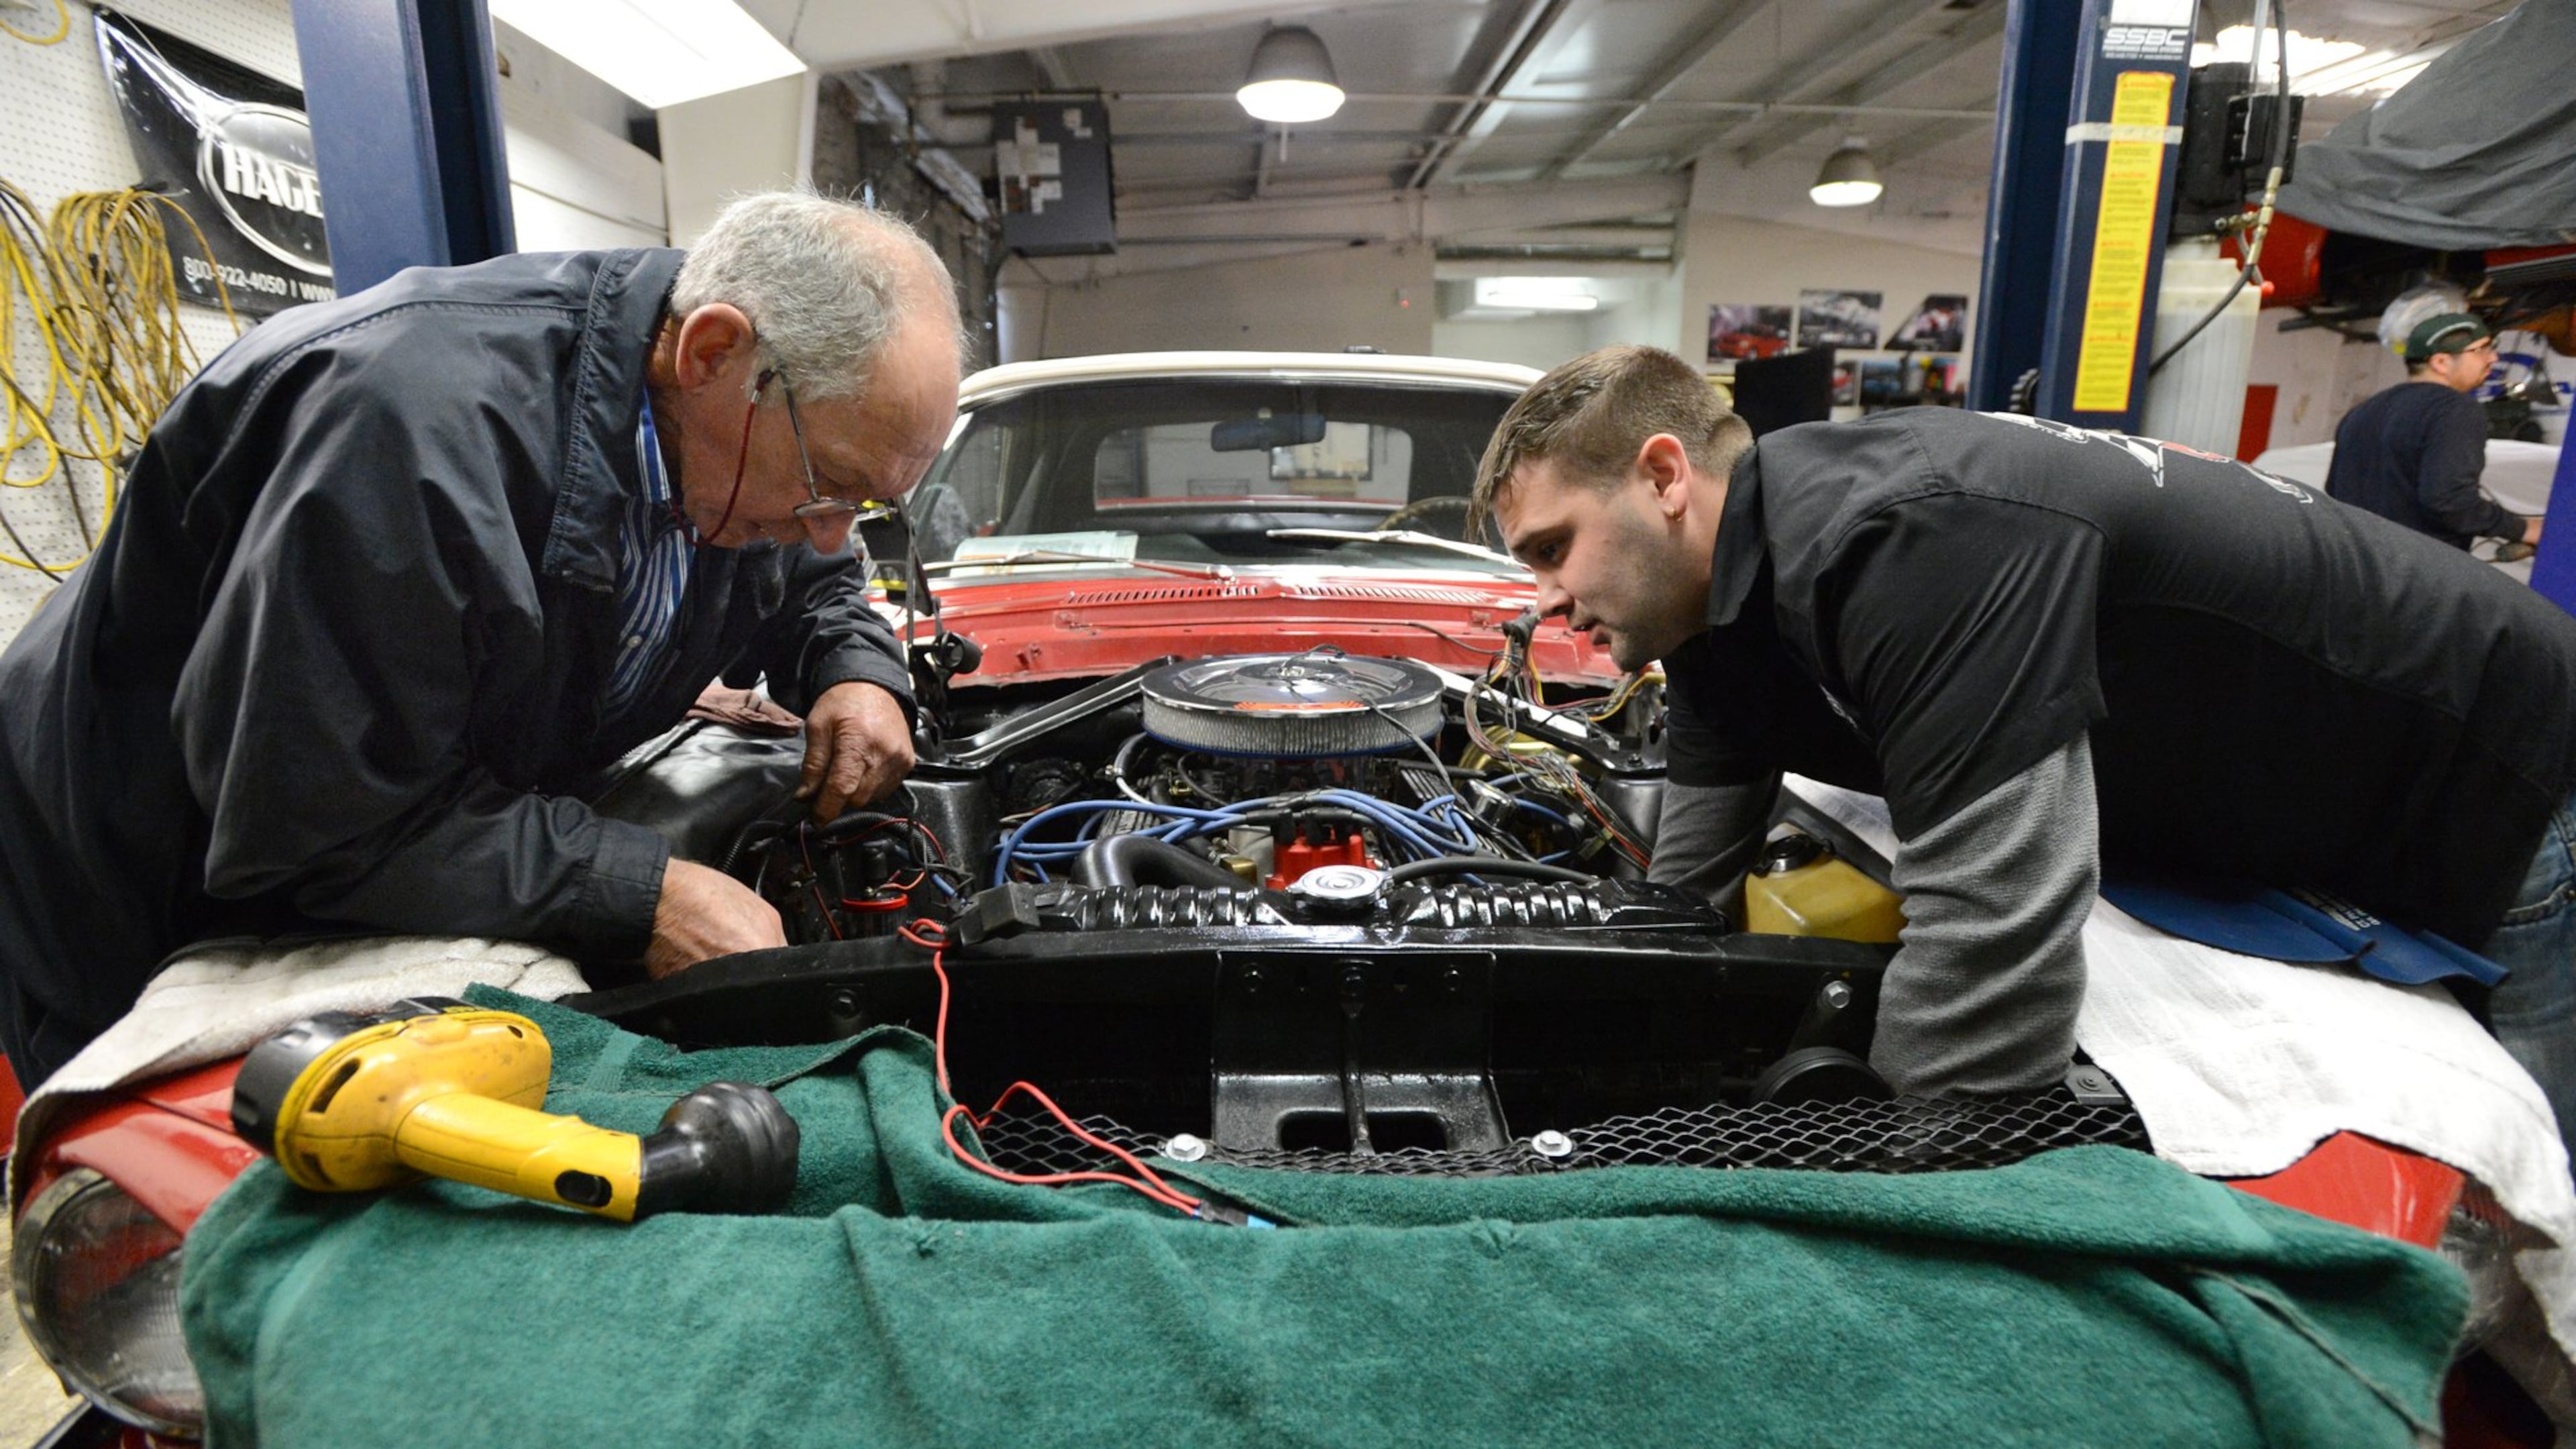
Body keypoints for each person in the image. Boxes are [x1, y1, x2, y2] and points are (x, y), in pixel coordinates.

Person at [1472, 344, 2576, 1142]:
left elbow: (1993, 928)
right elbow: (1691, 893)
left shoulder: (1907, 533)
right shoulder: (1719, 614)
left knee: (2526, 1190)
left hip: (2505, 778)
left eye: (1553, 548)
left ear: (1667, 477)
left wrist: (1912, 1180)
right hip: (2331, 803)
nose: (1547, 602)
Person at [0, 191, 963, 1085]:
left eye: (867, 505)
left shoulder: (726, 432)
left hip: (360, 837)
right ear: (711, 353)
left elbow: (810, 574)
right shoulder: (407, 439)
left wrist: (855, 667)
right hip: (132, 874)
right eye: (831, 484)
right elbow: (315, 819)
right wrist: (643, 893)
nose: (834, 527)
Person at [2325, 312, 2540, 551]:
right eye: (2481, 350)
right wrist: (2523, 529)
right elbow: (2449, 501)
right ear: (2441, 362)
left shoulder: (2361, 412)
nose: (2493, 358)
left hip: (2351, 566)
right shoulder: (2454, 409)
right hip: (2415, 574)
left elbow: (2333, 494)